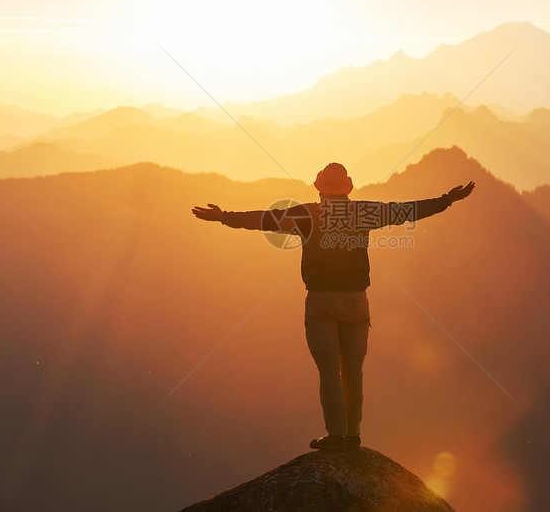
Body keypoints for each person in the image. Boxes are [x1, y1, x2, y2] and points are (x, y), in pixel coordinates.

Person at [192, 163, 474, 452]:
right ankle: (353, 435)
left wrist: (224, 217)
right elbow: (405, 210)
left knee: (329, 370)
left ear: (319, 188)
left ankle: (336, 435)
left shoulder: (306, 215)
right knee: (353, 370)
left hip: (321, 302)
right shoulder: (363, 212)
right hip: (356, 301)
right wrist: (446, 200)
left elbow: (264, 219)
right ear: (347, 188)